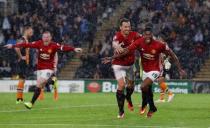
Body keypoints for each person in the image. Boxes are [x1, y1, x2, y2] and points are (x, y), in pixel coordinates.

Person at [102, 24, 186, 118]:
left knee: (143, 86)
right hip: (145, 70)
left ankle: (147, 105)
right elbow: (126, 50)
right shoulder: (139, 42)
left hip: (155, 70)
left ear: (152, 35)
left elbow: (173, 55)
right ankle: (152, 107)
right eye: (146, 35)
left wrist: (180, 69)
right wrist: (111, 58)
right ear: (143, 35)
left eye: (149, 35)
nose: (147, 37)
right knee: (148, 90)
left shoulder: (159, 45)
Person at [5, 31, 82, 109]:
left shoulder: (54, 45)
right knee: (40, 86)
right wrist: (13, 46)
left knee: (39, 83)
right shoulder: (39, 43)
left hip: (49, 69)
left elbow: (63, 47)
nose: (46, 39)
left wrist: (73, 49)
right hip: (40, 69)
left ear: (50, 38)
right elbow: (26, 44)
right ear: (42, 38)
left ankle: (31, 103)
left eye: (48, 37)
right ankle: (52, 81)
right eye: (44, 37)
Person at [106, 18, 141, 119]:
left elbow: (144, 39)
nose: (127, 28)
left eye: (129, 26)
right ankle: (121, 111)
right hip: (118, 64)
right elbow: (114, 43)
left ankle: (128, 98)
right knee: (121, 85)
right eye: (125, 27)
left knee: (131, 86)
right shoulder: (117, 36)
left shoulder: (134, 34)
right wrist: (117, 46)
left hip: (130, 65)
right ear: (120, 27)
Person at [14, 26, 33, 104]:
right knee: (22, 79)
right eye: (31, 32)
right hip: (22, 62)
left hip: (25, 62)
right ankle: (19, 98)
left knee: (23, 79)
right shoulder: (22, 39)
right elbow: (16, 48)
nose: (32, 33)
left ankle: (20, 98)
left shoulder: (26, 40)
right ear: (26, 30)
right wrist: (21, 57)